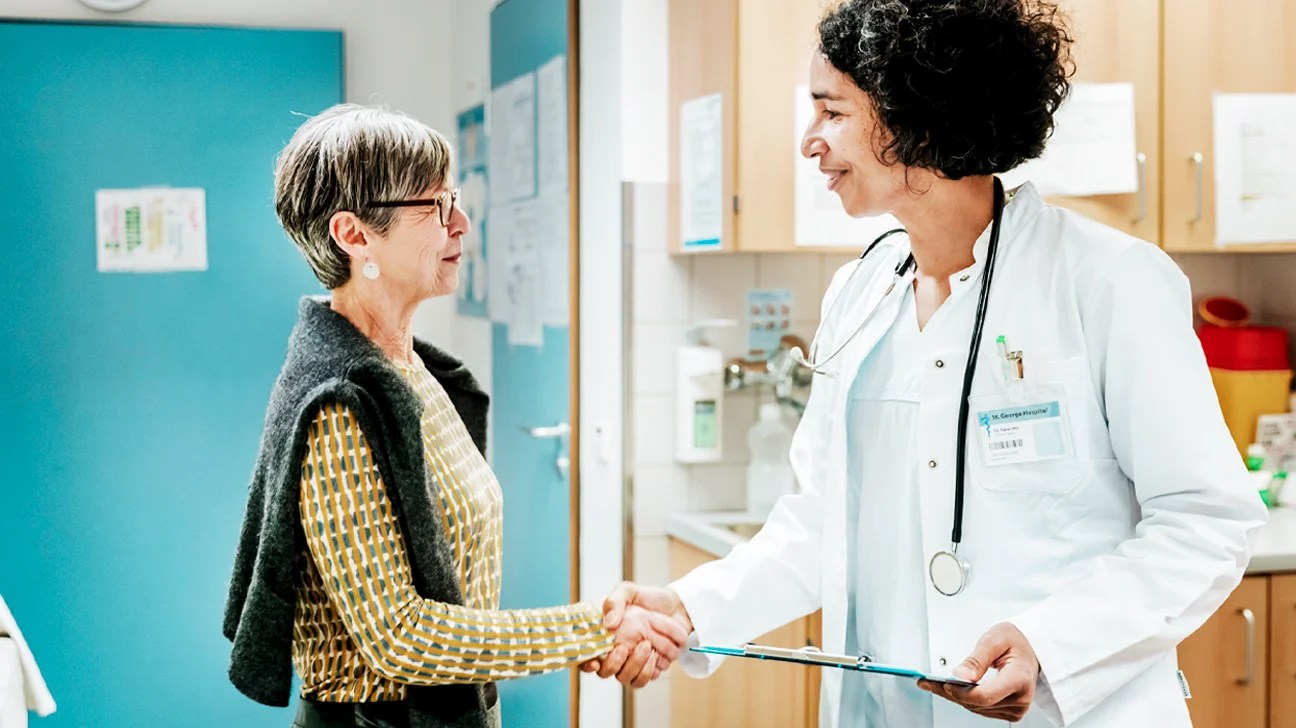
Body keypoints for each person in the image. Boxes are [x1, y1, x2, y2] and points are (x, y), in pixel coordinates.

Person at [598, 1, 1268, 725]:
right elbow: (821, 525)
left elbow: (1205, 520)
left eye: (832, 112)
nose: (809, 143)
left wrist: (1052, 643)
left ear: (917, 115)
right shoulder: (859, 294)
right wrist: (689, 607)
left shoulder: (1107, 280)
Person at [222, 104, 684, 728]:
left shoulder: (414, 370)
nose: (461, 224)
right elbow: (401, 636)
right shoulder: (337, 404)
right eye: (436, 207)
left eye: (454, 198)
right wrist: (592, 630)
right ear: (354, 235)